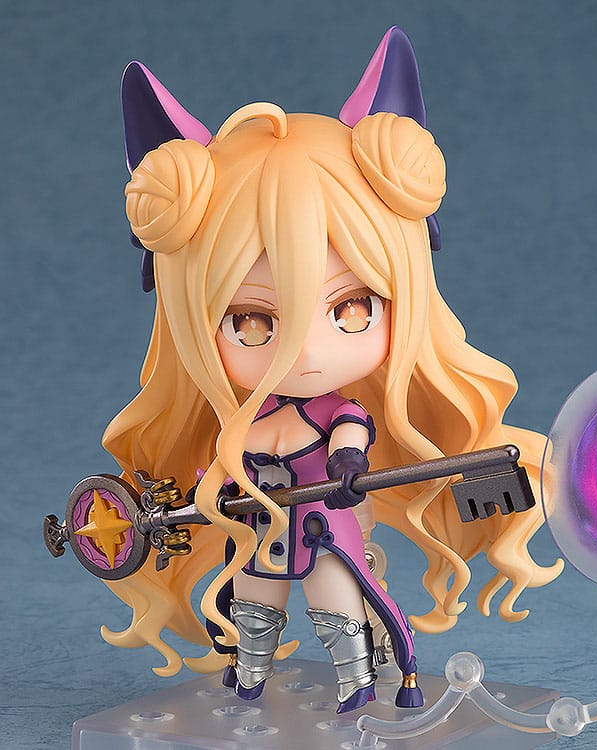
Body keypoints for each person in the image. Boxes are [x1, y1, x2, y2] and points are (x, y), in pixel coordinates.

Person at [100, 26, 563, 714]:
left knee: (338, 605)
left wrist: (348, 467)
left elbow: (350, 437)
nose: (307, 352)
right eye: (251, 321)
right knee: (253, 604)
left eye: (350, 308)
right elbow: (215, 471)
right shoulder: (245, 423)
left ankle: (356, 683)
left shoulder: (338, 414)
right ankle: (248, 674)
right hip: (259, 537)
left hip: (326, 533)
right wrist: (206, 491)